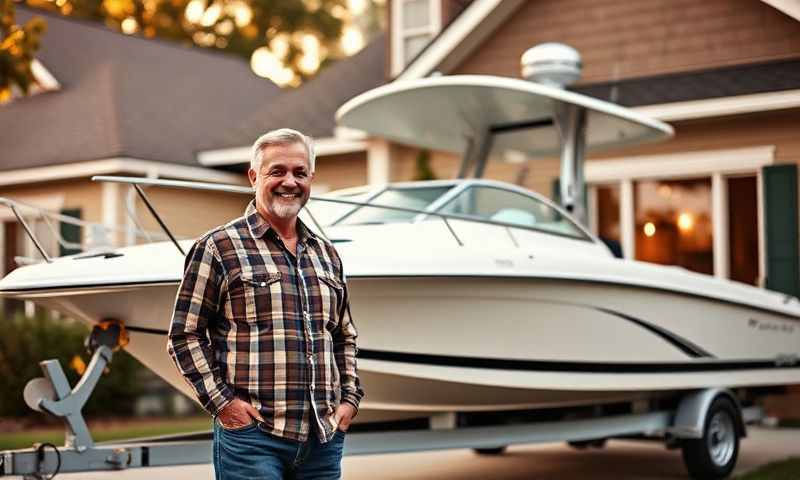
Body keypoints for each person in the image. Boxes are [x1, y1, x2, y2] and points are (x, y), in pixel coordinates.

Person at [167, 128, 363, 480]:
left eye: (299, 172)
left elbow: (343, 335)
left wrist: (349, 400)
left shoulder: (327, 255)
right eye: (277, 171)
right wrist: (223, 404)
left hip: (323, 438)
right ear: (254, 177)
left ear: (311, 179)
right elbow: (184, 335)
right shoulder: (218, 248)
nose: (290, 181)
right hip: (253, 441)